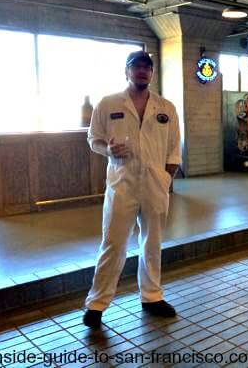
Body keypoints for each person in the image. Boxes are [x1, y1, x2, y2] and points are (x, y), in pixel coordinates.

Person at [83, 51, 181, 328]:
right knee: (113, 243)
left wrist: (165, 178)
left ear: (151, 73)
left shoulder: (166, 107)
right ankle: (97, 304)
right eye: (136, 66)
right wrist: (108, 149)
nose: (141, 71)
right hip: (122, 183)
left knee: (152, 243)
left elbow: (174, 148)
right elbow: (93, 140)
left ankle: (152, 296)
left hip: (154, 184)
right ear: (126, 71)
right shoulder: (108, 103)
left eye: (146, 67)